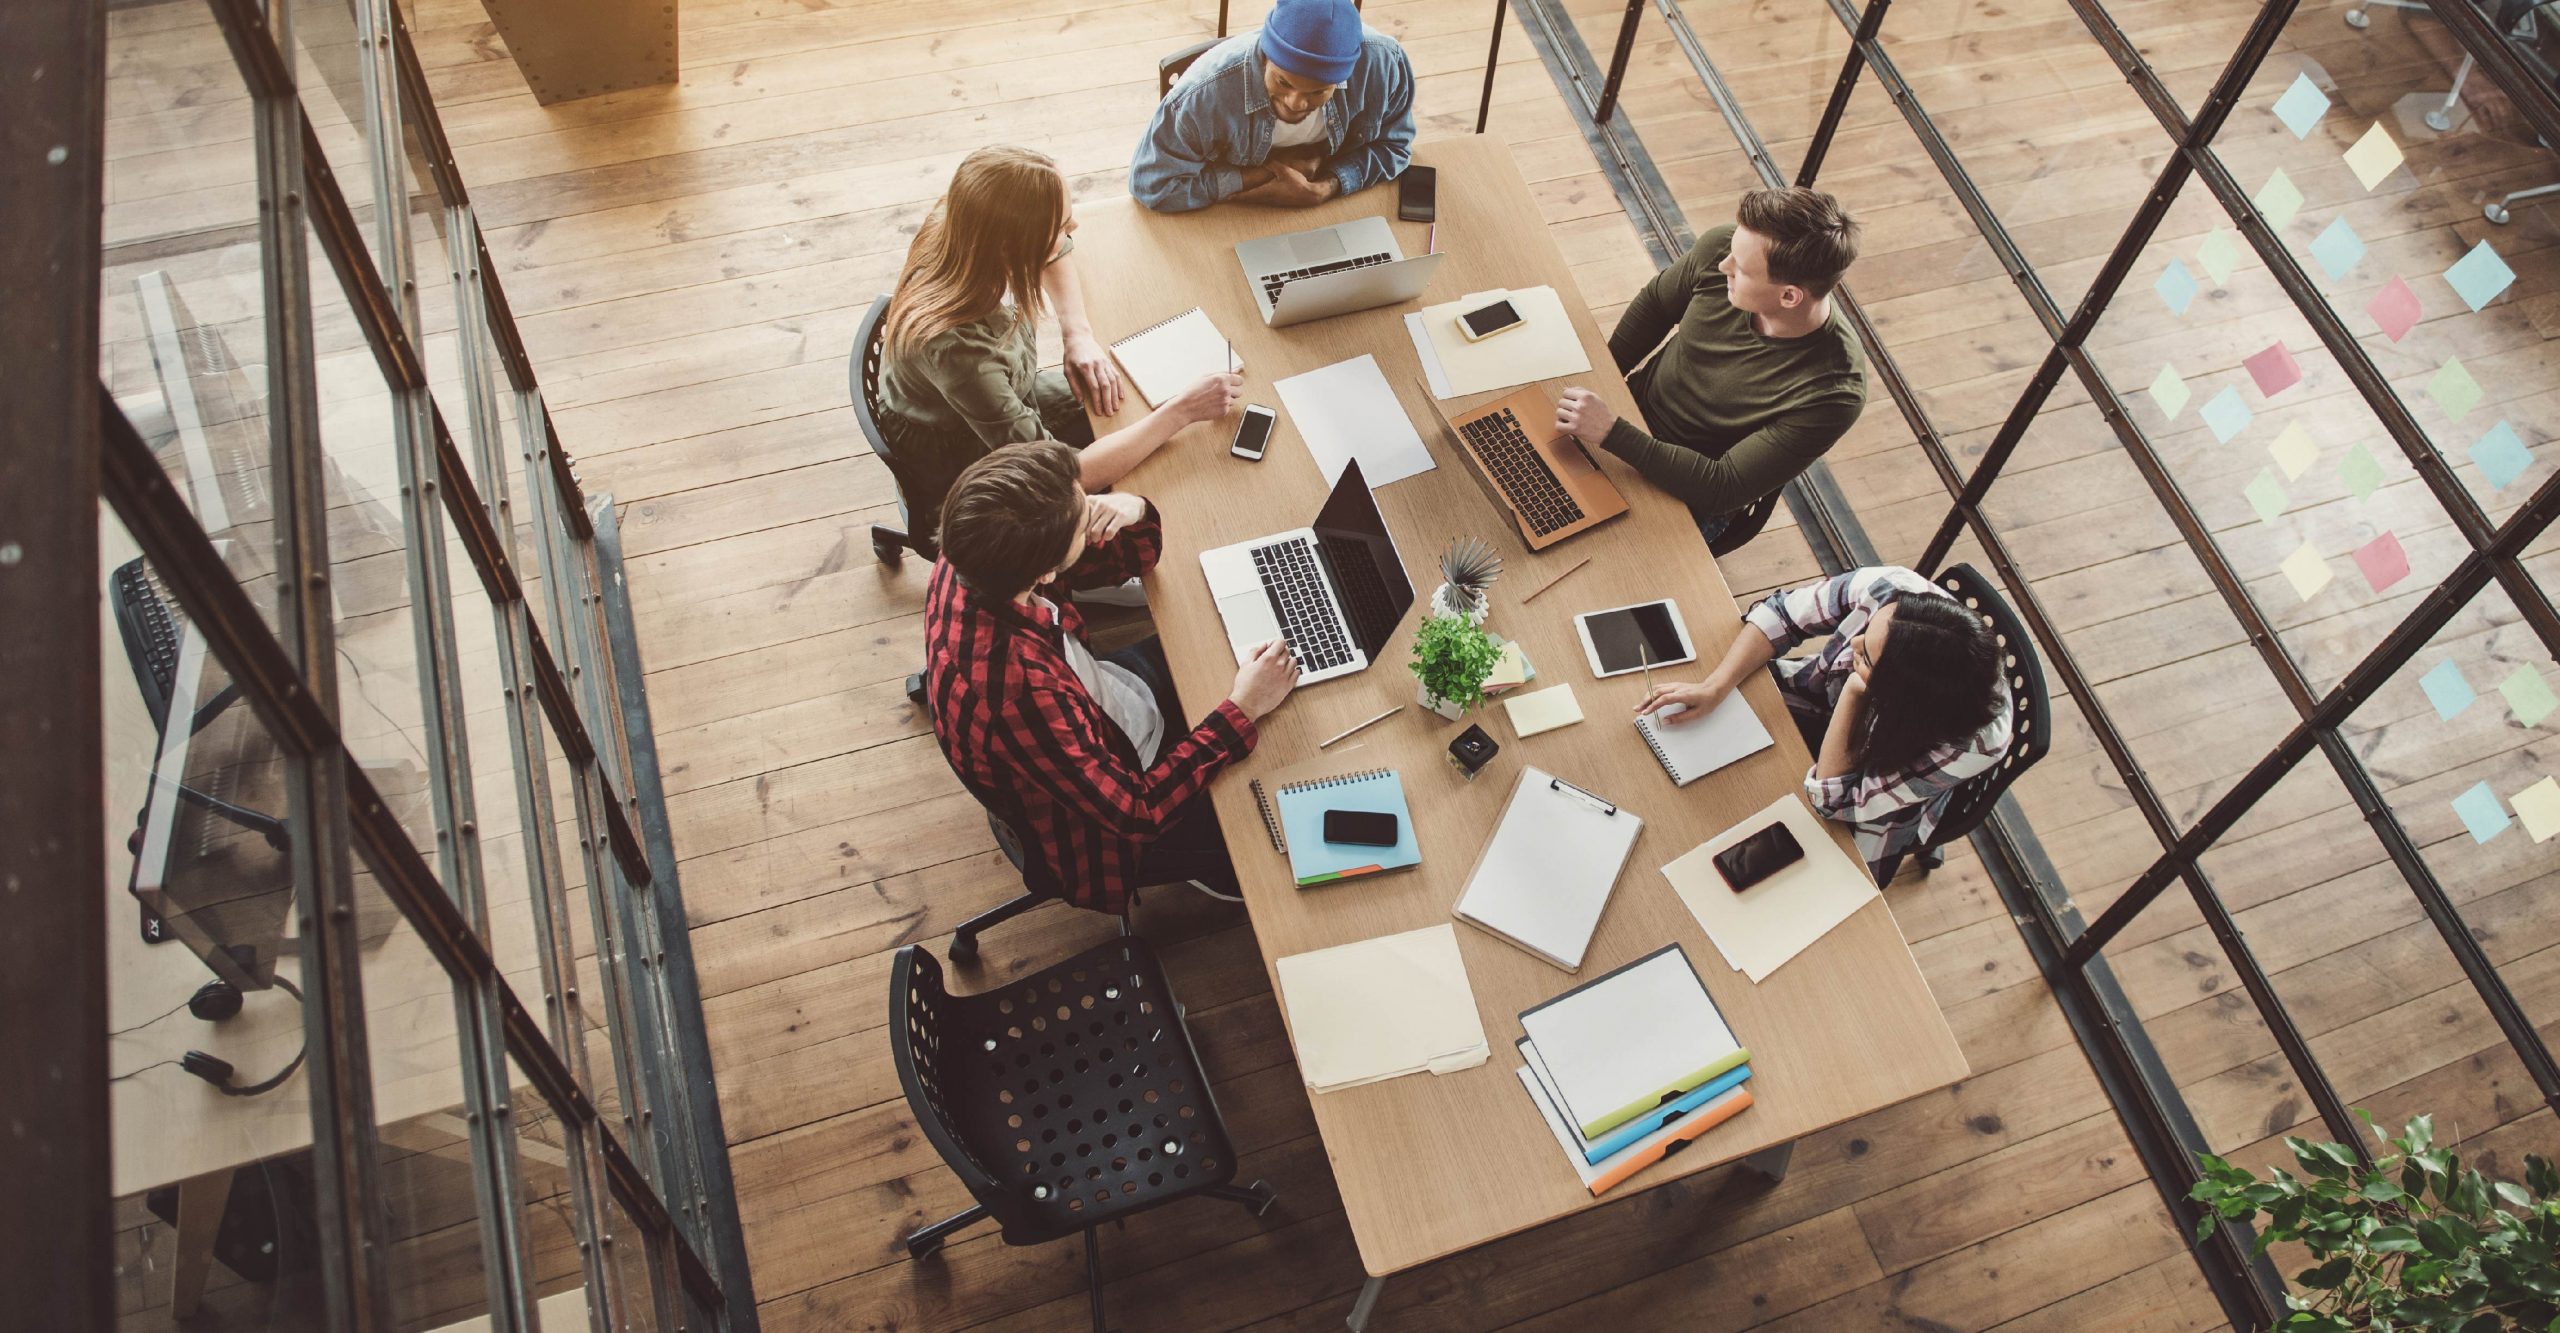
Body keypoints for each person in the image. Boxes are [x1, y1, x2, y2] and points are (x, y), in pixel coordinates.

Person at [922, 442, 1302, 910]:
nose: (1091, 506)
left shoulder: (977, 552)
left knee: (1233, 648)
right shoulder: (1018, 693)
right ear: (1043, 572)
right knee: (1273, 823)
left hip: (1105, 702)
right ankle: (1208, 866)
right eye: (1084, 521)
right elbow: (1137, 812)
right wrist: (1241, 709)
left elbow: (1132, 558)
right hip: (1113, 811)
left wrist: (1132, 507)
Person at [877, 145, 1243, 541]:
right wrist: (1183, 411)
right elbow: (1063, 477)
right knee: (1152, 455)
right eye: (1061, 226)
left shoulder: (966, 225)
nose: (1074, 231)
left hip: (1005, 393)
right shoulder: (962, 354)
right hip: (958, 448)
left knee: (1124, 401)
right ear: (1012, 247)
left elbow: (1055, 255)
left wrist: (1077, 334)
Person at [1634, 566, 2010, 880]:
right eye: (1866, 631)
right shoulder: (1896, 592)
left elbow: (1834, 800)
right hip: (1815, 701)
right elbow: (1781, 614)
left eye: (1868, 655)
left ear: (1899, 693)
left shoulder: (1971, 745)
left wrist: (1854, 689)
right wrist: (1714, 687)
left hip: (1881, 789)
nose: (1854, 642)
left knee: (1820, 877)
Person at [1552, 188, 1868, 544]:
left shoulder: (1833, 391)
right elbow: (1657, 304)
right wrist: (1602, 380)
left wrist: (1611, 432)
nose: (1723, 266)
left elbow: (1723, 487)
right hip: (1623, 416)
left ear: (1789, 296)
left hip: (1685, 492)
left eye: (1741, 269)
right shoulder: (1726, 248)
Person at [1128, 0, 1416, 212]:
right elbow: (1152, 185)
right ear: (1266, 56)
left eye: (1318, 92)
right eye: (1283, 82)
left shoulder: (1385, 64)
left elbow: (1396, 146)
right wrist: (1261, 177)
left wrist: (1327, 187)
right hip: (1231, 216)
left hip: (1327, 211)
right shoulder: (1202, 95)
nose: (1295, 103)